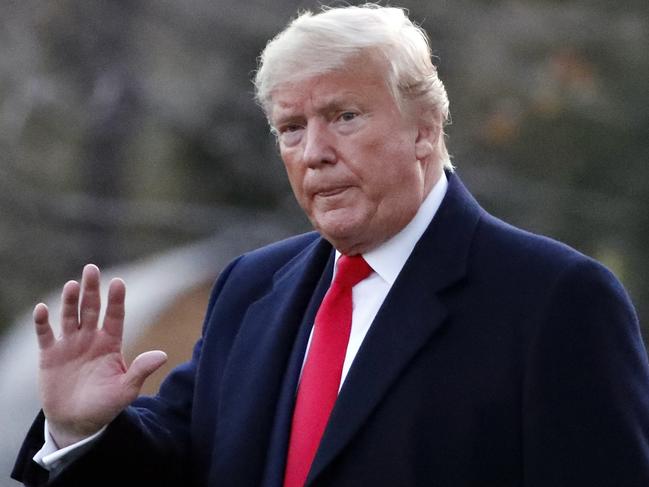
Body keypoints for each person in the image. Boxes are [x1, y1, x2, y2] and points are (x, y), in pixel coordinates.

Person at [11, 4, 649, 487]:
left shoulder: (555, 298)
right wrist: (81, 429)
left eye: (345, 116)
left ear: (424, 131)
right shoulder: (251, 287)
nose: (314, 152)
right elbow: (179, 463)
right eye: (291, 127)